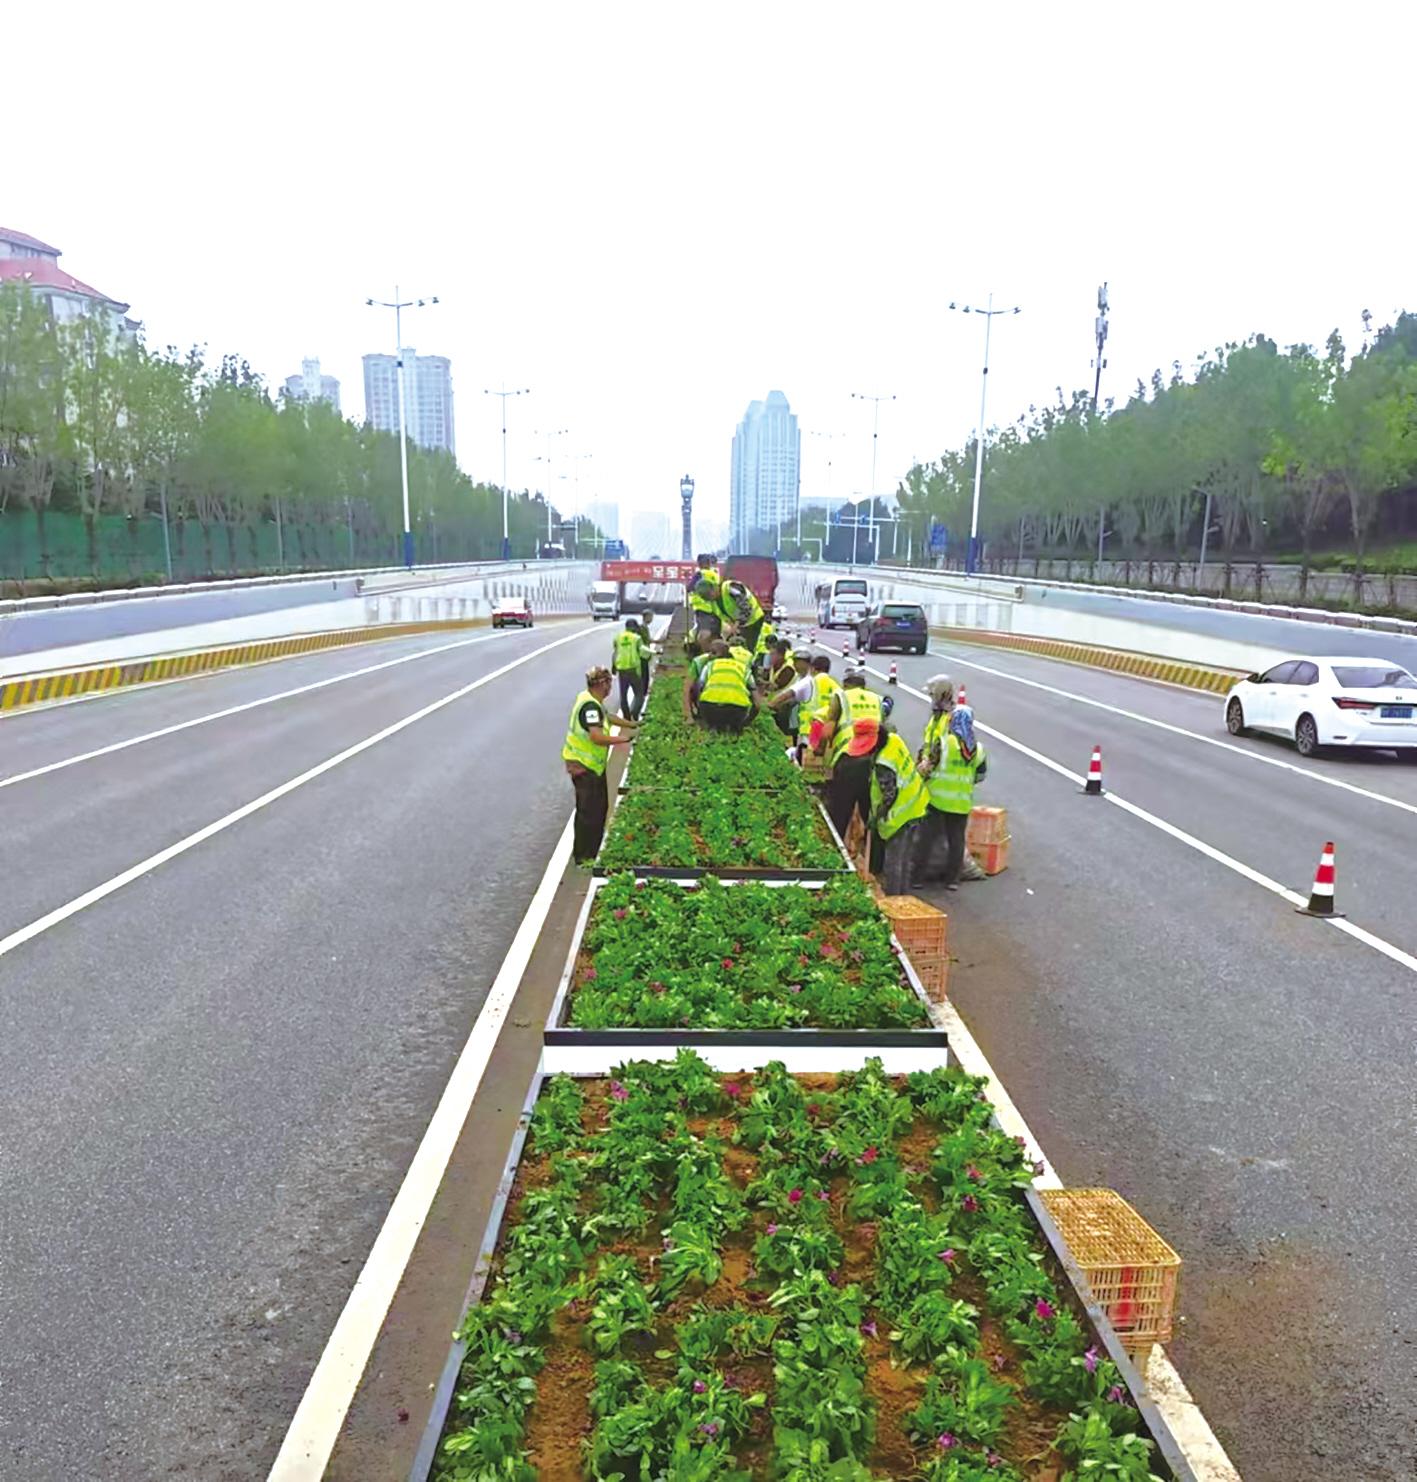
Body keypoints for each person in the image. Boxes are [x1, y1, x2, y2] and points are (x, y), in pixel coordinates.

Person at [916, 677, 988, 890]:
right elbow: (980, 775)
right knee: (956, 840)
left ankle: (918, 877)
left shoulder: (945, 743)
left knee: (926, 838)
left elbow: (931, 764)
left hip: (937, 798)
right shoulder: (977, 748)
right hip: (961, 801)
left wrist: (920, 775)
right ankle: (952, 880)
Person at [563, 665, 637, 864]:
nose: (610, 687)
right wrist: (622, 741)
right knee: (589, 812)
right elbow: (596, 736)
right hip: (584, 766)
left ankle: (589, 853)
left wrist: (631, 725)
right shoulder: (590, 707)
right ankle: (585, 857)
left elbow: (607, 717)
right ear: (601, 684)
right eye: (608, 683)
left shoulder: (590, 700)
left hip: (591, 766)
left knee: (598, 808)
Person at [867, 723, 931, 895]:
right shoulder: (894, 740)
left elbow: (889, 795)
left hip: (900, 816)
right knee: (904, 859)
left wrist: (875, 818)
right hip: (916, 804)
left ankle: (895, 902)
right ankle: (904, 897)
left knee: (893, 863)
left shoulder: (883, 763)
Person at [819, 672, 884, 840]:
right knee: (870, 813)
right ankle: (872, 857)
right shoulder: (876, 699)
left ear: (846, 684)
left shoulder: (841, 697)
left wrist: (819, 750)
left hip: (849, 759)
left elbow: (827, 732)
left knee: (839, 813)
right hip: (874, 759)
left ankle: (838, 853)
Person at [686, 639, 754, 732]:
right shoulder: (699, 662)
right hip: (715, 703)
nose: (710, 655)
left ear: (724, 655)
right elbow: (687, 689)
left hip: (711, 705)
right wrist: (689, 716)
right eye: (709, 652)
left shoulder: (726, 665)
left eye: (714, 653)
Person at [763, 649, 813, 740]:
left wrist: (769, 705)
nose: (794, 665)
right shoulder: (799, 677)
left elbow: (787, 694)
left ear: (805, 663)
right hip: (798, 717)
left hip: (805, 721)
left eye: (796, 662)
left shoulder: (808, 680)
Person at [612, 619, 651, 720]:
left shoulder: (618, 637)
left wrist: (613, 666)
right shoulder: (636, 638)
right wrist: (651, 654)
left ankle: (626, 718)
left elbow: (615, 652)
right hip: (633, 669)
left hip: (621, 669)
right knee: (639, 694)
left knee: (623, 695)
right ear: (634, 627)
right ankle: (634, 712)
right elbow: (643, 652)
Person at [716, 578, 765, 653]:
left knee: (747, 649)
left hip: (753, 619)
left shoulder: (730, 588)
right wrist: (732, 626)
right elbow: (724, 616)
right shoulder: (714, 601)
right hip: (740, 624)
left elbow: (746, 608)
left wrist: (737, 624)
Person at [688, 556, 723, 647]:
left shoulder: (700, 574)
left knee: (703, 633)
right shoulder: (715, 574)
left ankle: (701, 651)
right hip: (716, 609)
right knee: (715, 632)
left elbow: (690, 588)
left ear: (700, 564)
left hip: (702, 608)